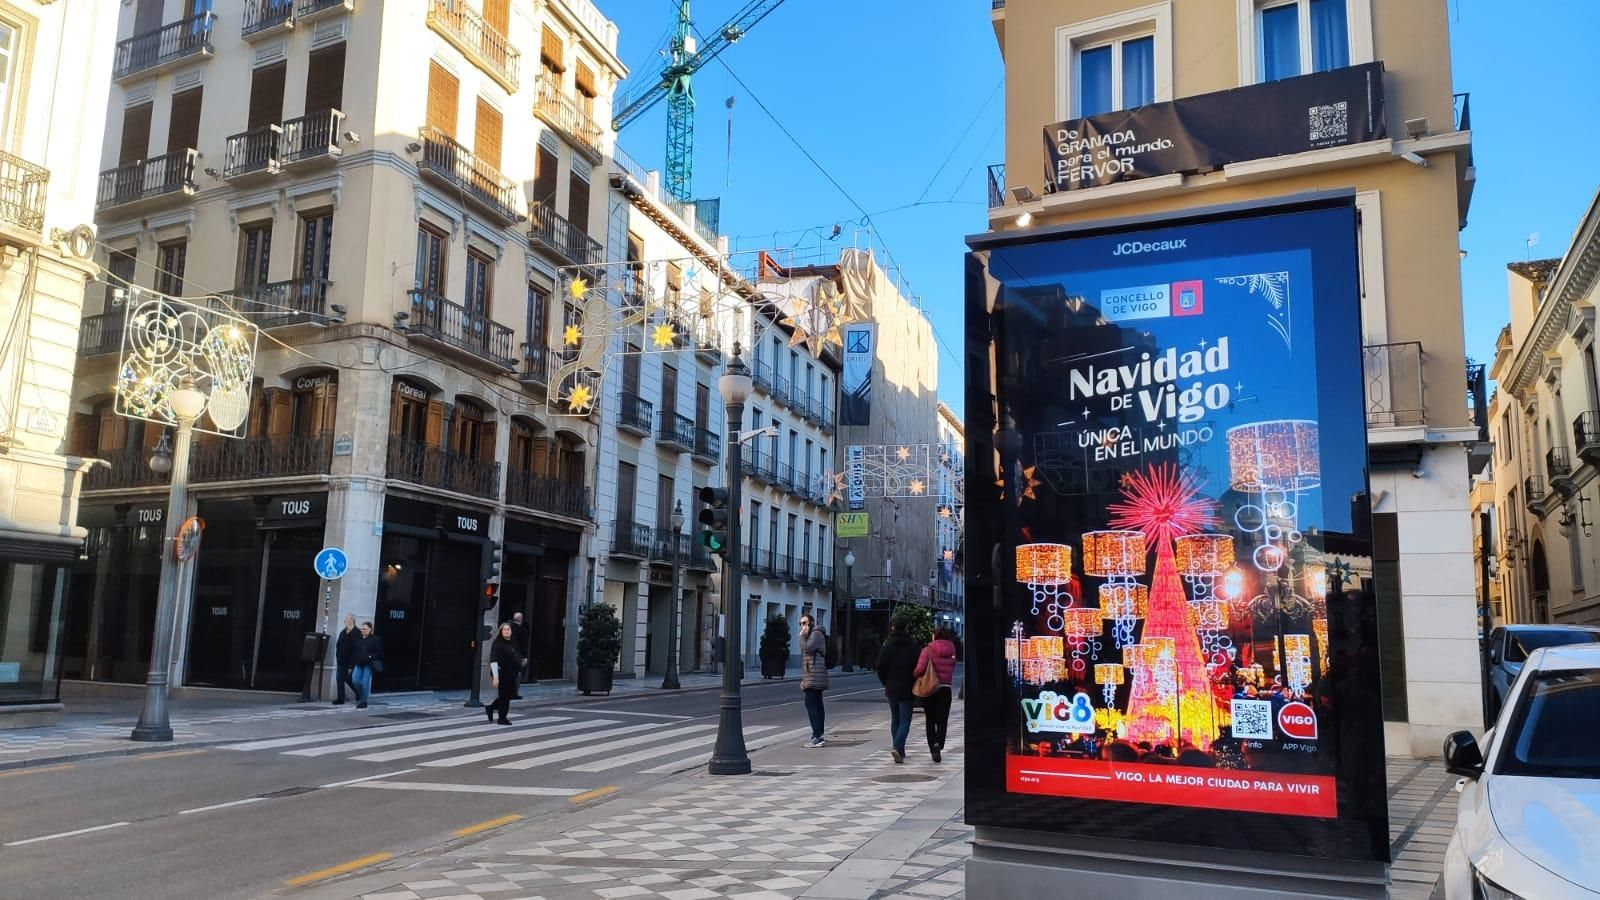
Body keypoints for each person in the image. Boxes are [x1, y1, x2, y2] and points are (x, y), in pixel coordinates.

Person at [875, 618, 920, 763]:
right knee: (905, 720)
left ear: (893, 627)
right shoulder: (913, 646)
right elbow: (919, 668)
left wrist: (886, 682)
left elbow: (880, 667)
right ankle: (898, 746)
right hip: (908, 688)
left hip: (891, 688)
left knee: (895, 718)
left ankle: (899, 749)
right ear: (906, 627)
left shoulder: (887, 646)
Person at [915, 627, 958, 763]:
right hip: (946, 689)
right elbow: (952, 666)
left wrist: (915, 675)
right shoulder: (952, 649)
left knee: (930, 719)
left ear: (935, 636)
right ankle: (938, 744)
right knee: (942, 720)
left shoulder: (927, 650)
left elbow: (920, 669)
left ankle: (932, 745)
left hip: (931, 688)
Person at [798, 614, 829, 747]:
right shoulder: (813, 635)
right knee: (817, 704)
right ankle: (819, 734)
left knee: (810, 704)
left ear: (811, 623)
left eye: (805, 623)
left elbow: (807, 648)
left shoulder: (816, 635)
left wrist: (801, 636)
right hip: (813, 676)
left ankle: (816, 736)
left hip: (815, 676)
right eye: (800, 623)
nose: (802, 626)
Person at [485, 622, 520, 725]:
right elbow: (494, 660)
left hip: (511, 673)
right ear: (501, 631)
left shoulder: (513, 641)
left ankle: (491, 708)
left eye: (508, 629)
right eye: (504, 630)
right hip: (501, 672)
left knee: (509, 695)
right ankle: (502, 718)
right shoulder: (498, 644)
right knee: (504, 696)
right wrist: (495, 677)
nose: (506, 631)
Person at [350, 621, 382, 709]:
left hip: (369, 664)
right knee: (355, 681)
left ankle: (363, 701)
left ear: (370, 629)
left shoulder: (375, 639)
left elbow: (379, 653)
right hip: (359, 663)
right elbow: (354, 652)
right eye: (362, 629)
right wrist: (351, 665)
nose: (363, 630)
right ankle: (360, 695)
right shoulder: (358, 639)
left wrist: (370, 656)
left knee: (365, 682)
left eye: (365, 629)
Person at [333, 614, 358, 705]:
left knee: (348, 679)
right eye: (345, 620)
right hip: (341, 660)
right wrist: (338, 655)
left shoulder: (356, 632)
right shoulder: (343, 632)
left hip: (350, 661)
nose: (345, 621)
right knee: (339, 678)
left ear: (352, 621)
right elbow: (338, 644)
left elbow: (356, 649)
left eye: (346, 620)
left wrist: (352, 664)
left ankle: (358, 692)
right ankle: (340, 698)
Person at [508, 611, 530, 697]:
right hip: (517, 654)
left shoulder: (506, 627)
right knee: (517, 673)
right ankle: (514, 693)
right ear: (521, 619)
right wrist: (525, 656)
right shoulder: (521, 630)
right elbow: (523, 644)